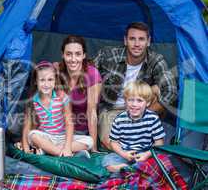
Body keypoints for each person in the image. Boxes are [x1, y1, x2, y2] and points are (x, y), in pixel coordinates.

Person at [93, 22, 176, 150]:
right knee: (109, 144)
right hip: (112, 109)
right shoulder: (108, 55)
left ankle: (144, 139)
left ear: (148, 42)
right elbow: (86, 73)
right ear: (125, 40)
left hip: (141, 107)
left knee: (158, 88)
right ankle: (134, 155)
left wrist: (144, 114)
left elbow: (171, 91)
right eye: (132, 39)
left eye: (141, 39)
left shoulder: (156, 60)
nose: (137, 44)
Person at [21, 61, 93, 157]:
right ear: (35, 81)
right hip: (46, 137)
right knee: (32, 135)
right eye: (42, 80)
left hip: (63, 137)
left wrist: (67, 146)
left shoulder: (62, 98)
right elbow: (27, 127)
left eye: (50, 80)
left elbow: (69, 124)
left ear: (55, 81)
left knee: (89, 141)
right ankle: (63, 153)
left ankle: (50, 151)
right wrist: (26, 149)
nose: (46, 84)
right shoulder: (32, 101)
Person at [102, 81, 165, 173]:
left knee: (160, 160)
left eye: (139, 100)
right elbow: (114, 143)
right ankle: (125, 168)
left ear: (147, 103)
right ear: (125, 101)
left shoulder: (153, 118)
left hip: (146, 152)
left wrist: (147, 154)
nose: (134, 104)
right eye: (130, 100)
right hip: (125, 152)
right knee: (108, 160)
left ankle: (132, 170)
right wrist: (123, 154)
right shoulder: (119, 119)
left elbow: (159, 143)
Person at [58, 35, 102, 152]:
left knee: (88, 142)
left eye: (77, 54)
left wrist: (94, 148)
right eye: (68, 54)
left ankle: (54, 149)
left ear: (84, 55)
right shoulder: (57, 72)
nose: (73, 59)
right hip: (57, 129)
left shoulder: (92, 74)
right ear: (63, 55)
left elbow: (91, 111)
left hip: (80, 131)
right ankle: (62, 148)